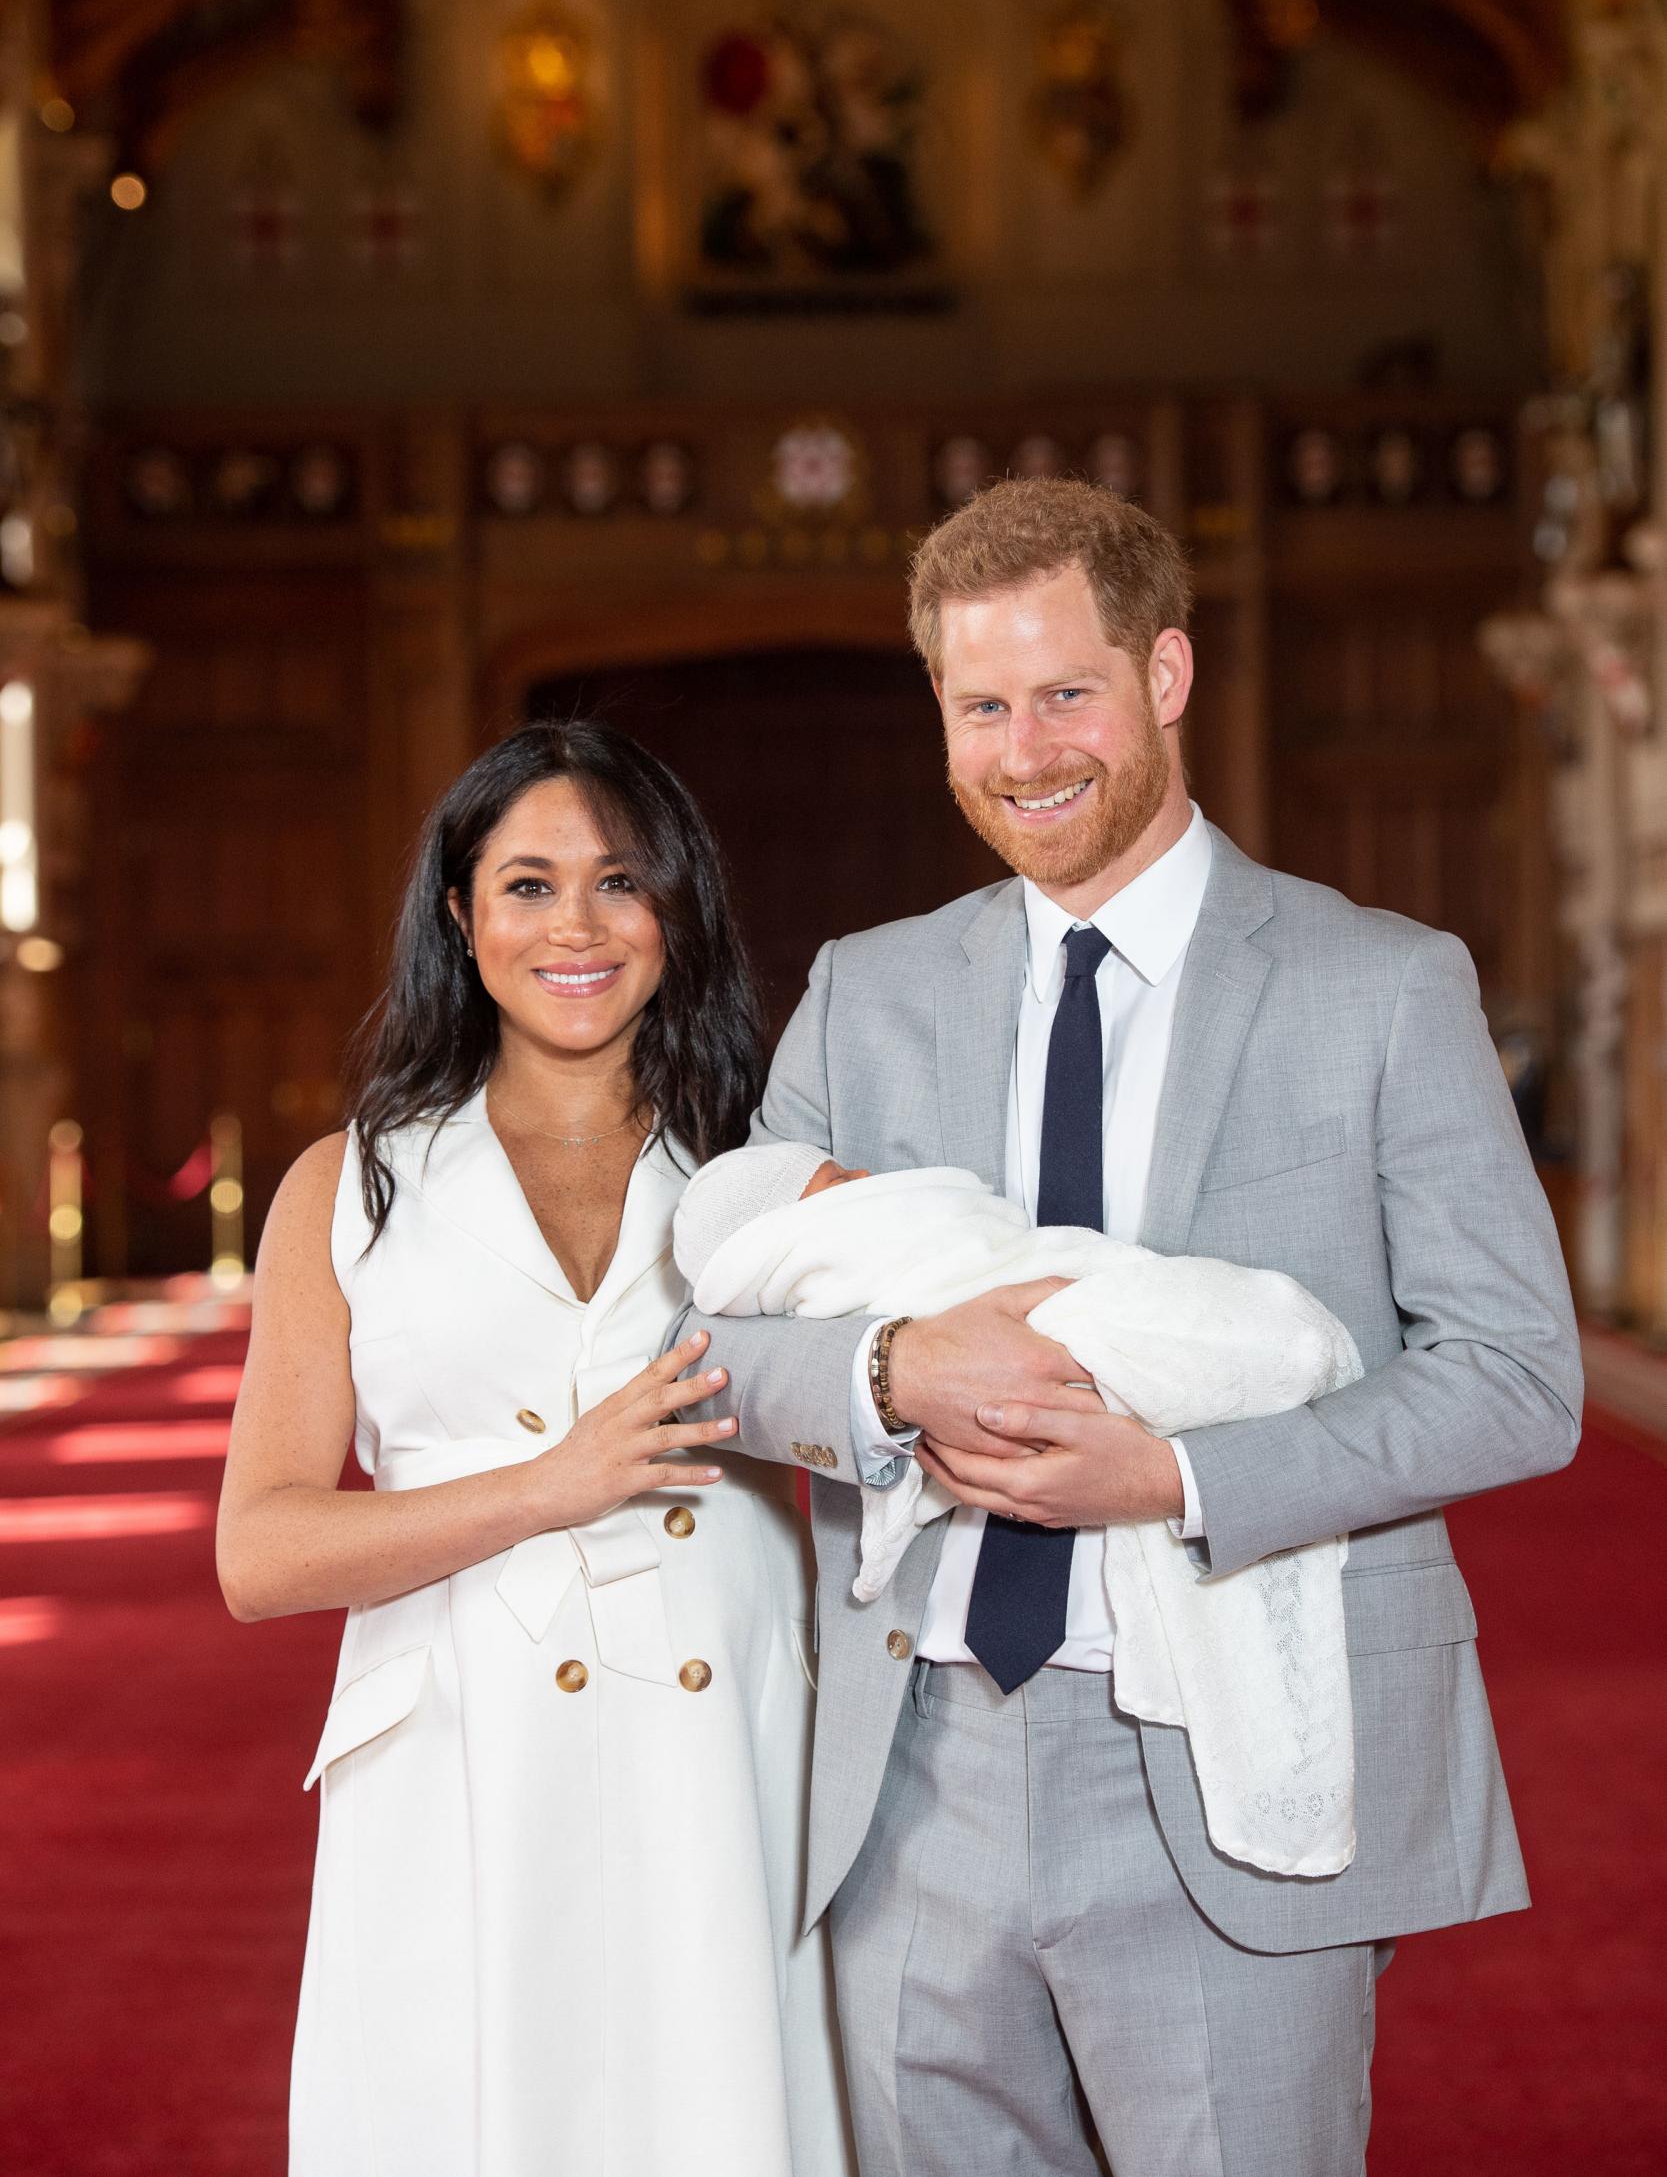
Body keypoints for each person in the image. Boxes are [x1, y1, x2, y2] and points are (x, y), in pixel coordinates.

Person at [679, 479, 1582, 2177]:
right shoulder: (866, 990)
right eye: (979, 705)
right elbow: (714, 1336)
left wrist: (1174, 1473)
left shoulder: (1377, 984)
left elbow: (1517, 1377)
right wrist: (889, 1369)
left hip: (1221, 1751)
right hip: (911, 1767)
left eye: (1065, 692)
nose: (1025, 751)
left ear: (1164, 675)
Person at [216, 720, 853, 2177]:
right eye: (527, 884)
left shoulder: (770, 1171)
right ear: (460, 911)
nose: (576, 926)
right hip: (456, 1762)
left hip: (728, 1749)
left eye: (619, 883)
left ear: (675, 908)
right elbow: (261, 1553)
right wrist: (541, 1487)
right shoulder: (352, 1184)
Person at [672, 1139, 1364, 1880]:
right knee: (1212, 1337)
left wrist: (1177, 1478)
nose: (869, 1180)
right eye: (842, 1183)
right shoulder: (841, 1033)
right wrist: (893, 1371)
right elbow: (702, 1354)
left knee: (1242, 1333)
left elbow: (1498, 1364)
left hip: (1161, 1712)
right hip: (917, 1729)